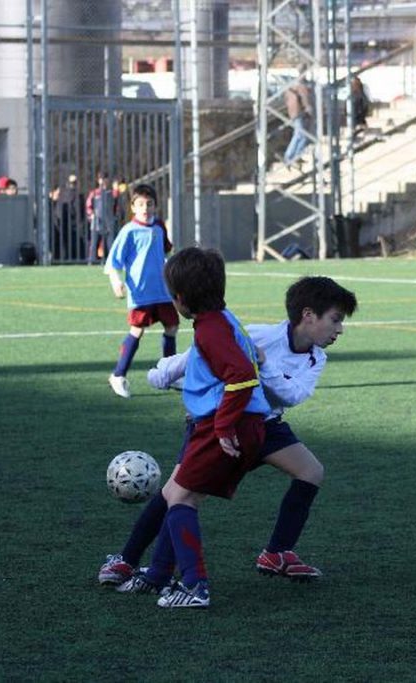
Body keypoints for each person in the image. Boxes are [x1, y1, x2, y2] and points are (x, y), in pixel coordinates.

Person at [97, 276, 358, 592]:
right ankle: (129, 560)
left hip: (267, 426)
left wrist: (264, 366)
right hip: (223, 422)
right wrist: (163, 373)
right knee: (178, 494)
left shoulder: (317, 357)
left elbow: (293, 395)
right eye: (335, 319)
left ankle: (276, 554)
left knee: (311, 471)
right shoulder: (259, 334)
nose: (339, 329)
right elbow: (201, 352)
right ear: (307, 315)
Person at [119, 246, 271, 609]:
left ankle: (195, 585)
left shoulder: (211, 329)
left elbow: (242, 375)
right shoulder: (220, 319)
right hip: (238, 423)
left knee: (180, 498)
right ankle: (157, 575)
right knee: (177, 495)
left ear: (181, 299)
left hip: (225, 425)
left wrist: (222, 426)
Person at [103, 183, 179, 399]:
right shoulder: (129, 231)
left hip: (163, 290)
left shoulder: (159, 227)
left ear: (155, 206)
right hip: (141, 292)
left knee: (172, 327)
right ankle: (118, 375)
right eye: (140, 204)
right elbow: (114, 261)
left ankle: (168, 374)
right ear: (133, 207)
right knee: (137, 330)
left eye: (150, 204)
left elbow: (165, 251)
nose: (145, 208)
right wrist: (116, 282)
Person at [282, 67, 314, 169]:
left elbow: (286, 99)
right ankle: (292, 156)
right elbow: (305, 99)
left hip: (293, 113)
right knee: (301, 135)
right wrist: (308, 108)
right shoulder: (301, 86)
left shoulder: (290, 86)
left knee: (299, 135)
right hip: (299, 113)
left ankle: (293, 155)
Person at [86, 170, 117, 265]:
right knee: (94, 243)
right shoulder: (94, 193)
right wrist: (91, 214)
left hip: (109, 221)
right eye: (101, 179)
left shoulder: (112, 193)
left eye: (105, 178)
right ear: (98, 180)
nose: (103, 181)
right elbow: (88, 205)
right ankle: (92, 261)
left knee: (110, 243)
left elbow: (116, 205)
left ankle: (111, 262)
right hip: (97, 221)